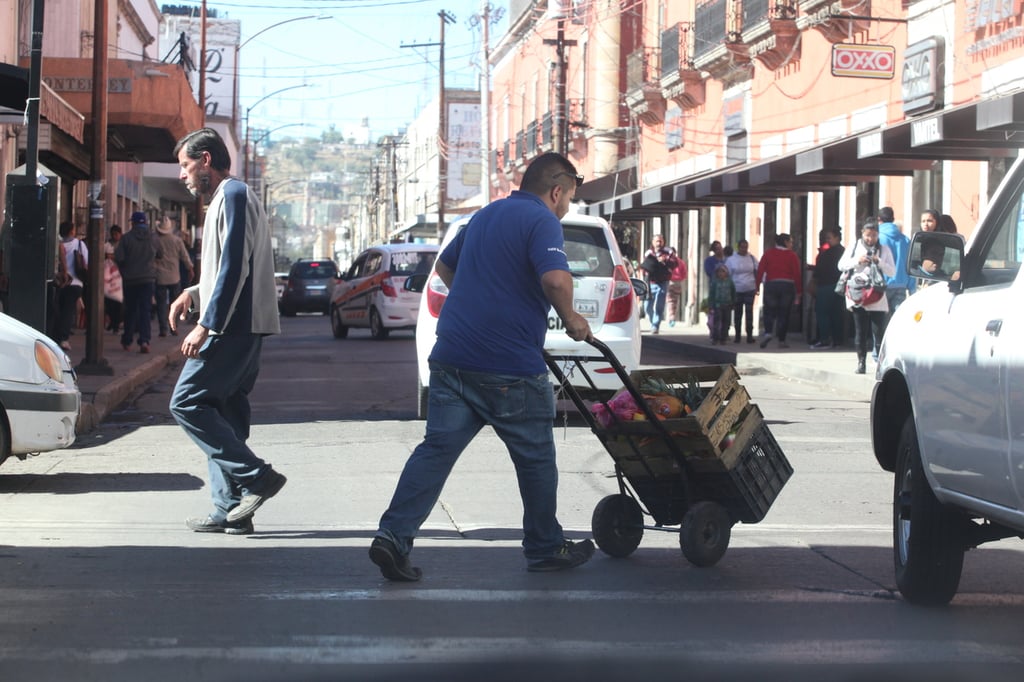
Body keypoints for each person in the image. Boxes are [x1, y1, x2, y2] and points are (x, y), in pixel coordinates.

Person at [370, 152, 595, 582]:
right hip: (508, 364)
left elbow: (445, 267)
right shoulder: (543, 220)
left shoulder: (485, 215)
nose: (565, 208)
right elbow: (554, 279)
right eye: (567, 199)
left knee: (436, 451)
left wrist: (483, 303)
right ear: (556, 190)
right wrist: (571, 318)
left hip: (453, 357)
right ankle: (546, 547)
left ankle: (393, 536)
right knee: (535, 456)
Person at [169, 127, 285, 535]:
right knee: (225, 413)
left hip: (233, 326)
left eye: (185, 166)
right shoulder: (226, 198)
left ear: (205, 161)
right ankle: (231, 509)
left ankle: (257, 478)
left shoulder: (233, 195)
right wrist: (193, 292)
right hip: (242, 323)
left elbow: (235, 267)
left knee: (187, 403)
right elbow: (225, 270)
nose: (182, 175)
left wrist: (206, 324)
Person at [839, 221, 895, 374]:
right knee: (860, 331)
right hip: (859, 295)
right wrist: (858, 261)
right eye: (868, 235)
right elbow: (841, 265)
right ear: (862, 233)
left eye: (874, 235)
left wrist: (879, 261)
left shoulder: (884, 249)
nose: (871, 239)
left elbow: (892, 271)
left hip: (876, 295)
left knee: (879, 332)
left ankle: (880, 364)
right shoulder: (855, 247)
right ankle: (861, 362)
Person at [115, 212, 160, 353]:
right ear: (146, 222)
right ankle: (145, 341)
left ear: (133, 223)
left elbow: (119, 257)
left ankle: (127, 340)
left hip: (131, 279)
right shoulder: (153, 238)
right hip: (148, 279)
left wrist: (125, 270)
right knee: (145, 310)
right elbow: (160, 254)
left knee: (130, 310)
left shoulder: (126, 238)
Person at [755, 233, 802, 349]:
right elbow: (797, 274)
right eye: (791, 242)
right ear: (786, 242)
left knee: (769, 310)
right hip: (787, 285)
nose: (792, 244)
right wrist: (799, 291)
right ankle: (781, 340)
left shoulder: (768, 253)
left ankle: (768, 332)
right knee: (784, 313)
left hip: (771, 284)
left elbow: (760, 270)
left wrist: (757, 286)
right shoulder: (792, 255)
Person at [154, 215, 195, 338]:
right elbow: (184, 256)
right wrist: (190, 268)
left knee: (161, 304)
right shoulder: (177, 240)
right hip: (174, 276)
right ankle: (174, 327)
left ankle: (163, 329)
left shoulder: (156, 240)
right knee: (175, 303)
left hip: (159, 276)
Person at [51, 221, 86, 351]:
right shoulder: (79, 244)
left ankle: (55, 336)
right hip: (75, 282)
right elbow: (86, 262)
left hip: (58, 282)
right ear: (72, 231)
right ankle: (63, 338)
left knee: (58, 310)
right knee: (68, 311)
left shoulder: (56, 244)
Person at [809, 227, 846, 349]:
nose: (827, 240)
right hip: (839, 286)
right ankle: (838, 340)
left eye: (829, 238)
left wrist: (814, 280)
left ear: (837, 238)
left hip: (826, 286)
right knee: (837, 314)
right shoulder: (844, 252)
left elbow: (819, 270)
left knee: (822, 313)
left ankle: (824, 339)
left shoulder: (827, 254)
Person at [876, 206, 915, 314]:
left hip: (881, 284)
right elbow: (910, 263)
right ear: (893, 219)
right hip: (901, 283)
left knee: (881, 322)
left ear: (879, 219)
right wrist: (912, 287)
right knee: (897, 318)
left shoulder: (877, 238)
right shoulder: (905, 239)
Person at [638, 234, 676, 334]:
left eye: (660, 241)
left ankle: (655, 325)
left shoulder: (668, 252)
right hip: (651, 282)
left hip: (663, 282)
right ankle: (652, 321)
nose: (658, 243)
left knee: (660, 304)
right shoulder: (649, 253)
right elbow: (644, 266)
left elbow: (674, 263)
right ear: (652, 242)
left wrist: (665, 260)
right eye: (656, 241)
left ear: (663, 242)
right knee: (647, 306)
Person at [725, 239, 758, 343]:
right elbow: (727, 274)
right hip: (737, 289)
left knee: (749, 313)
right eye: (742, 247)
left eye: (746, 247)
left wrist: (758, 285)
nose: (744, 249)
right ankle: (738, 335)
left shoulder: (752, 258)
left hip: (750, 288)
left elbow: (758, 270)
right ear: (738, 247)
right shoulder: (731, 260)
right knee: (738, 313)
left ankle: (749, 335)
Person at [708, 263, 735, 345]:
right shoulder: (715, 282)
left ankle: (724, 338)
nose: (721, 273)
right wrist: (711, 304)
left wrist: (733, 302)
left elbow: (733, 292)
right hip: (717, 305)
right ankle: (715, 338)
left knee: (726, 322)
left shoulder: (730, 282)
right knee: (717, 322)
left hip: (727, 304)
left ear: (726, 273)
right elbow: (712, 294)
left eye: (723, 271)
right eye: (719, 272)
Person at [103, 243, 123, 334]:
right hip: (115, 291)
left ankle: (113, 325)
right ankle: (115, 326)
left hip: (109, 291)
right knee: (115, 309)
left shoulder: (107, 263)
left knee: (111, 309)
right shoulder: (110, 263)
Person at [665, 246, 687, 327]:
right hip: (678, 283)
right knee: (675, 301)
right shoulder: (681, 262)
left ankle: (671, 317)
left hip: (670, 282)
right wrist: (680, 278)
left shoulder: (667, 261)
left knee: (670, 301)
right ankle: (672, 316)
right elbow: (684, 274)